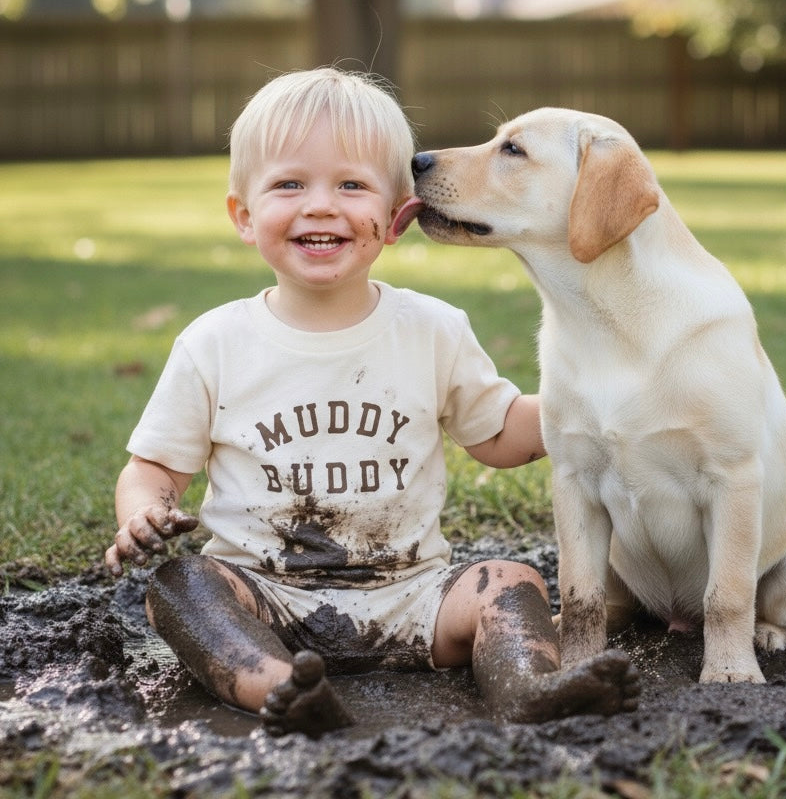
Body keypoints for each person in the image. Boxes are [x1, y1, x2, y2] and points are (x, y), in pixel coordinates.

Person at [104, 68, 639, 737]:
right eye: (289, 184)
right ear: (243, 215)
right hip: (265, 599)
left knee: (510, 579)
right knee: (181, 587)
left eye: (351, 185)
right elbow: (154, 466)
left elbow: (499, 434)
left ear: (396, 218)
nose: (321, 205)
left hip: (413, 598)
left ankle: (531, 689)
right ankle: (283, 691)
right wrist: (144, 511)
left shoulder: (433, 329)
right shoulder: (214, 343)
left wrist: (587, 403)